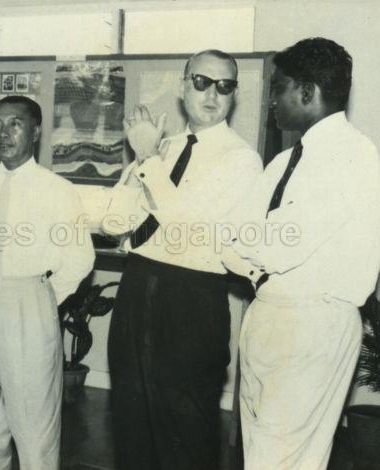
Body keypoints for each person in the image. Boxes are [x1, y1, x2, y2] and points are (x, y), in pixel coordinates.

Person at [224, 38, 380, 470]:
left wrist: (253, 241)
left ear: (308, 92)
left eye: (279, 88)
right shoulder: (284, 161)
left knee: (286, 457)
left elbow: (276, 246)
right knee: (259, 453)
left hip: (313, 322)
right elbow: (230, 243)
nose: (271, 99)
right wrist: (253, 243)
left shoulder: (353, 155)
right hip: (268, 312)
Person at [104, 50, 263, 469]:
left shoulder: (240, 159)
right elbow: (116, 222)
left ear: (234, 94)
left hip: (192, 299)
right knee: (131, 423)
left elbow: (184, 228)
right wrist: (141, 170)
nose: (213, 94)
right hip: (137, 288)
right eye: (202, 82)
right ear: (182, 86)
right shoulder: (164, 148)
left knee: (186, 435)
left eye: (225, 86)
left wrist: (145, 161)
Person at [0, 95, 94, 469]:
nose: (3, 133)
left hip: (29, 302)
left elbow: (80, 258)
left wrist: (44, 297)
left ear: (34, 132)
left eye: (15, 124)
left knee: (34, 422)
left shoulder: (56, 190)